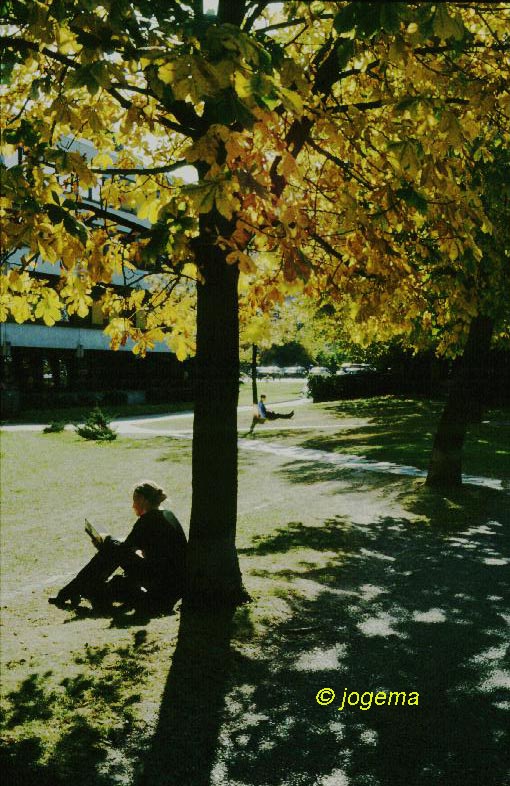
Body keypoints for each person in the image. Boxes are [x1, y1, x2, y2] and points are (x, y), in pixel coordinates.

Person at [49, 480, 187, 613]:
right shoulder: (167, 515)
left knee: (110, 546)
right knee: (112, 549)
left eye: (135, 500)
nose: (133, 505)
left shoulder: (148, 520)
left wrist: (103, 546)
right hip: (173, 587)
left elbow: (122, 552)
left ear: (143, 500)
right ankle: (74, 590)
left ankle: (70, 592)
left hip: (160, 586)